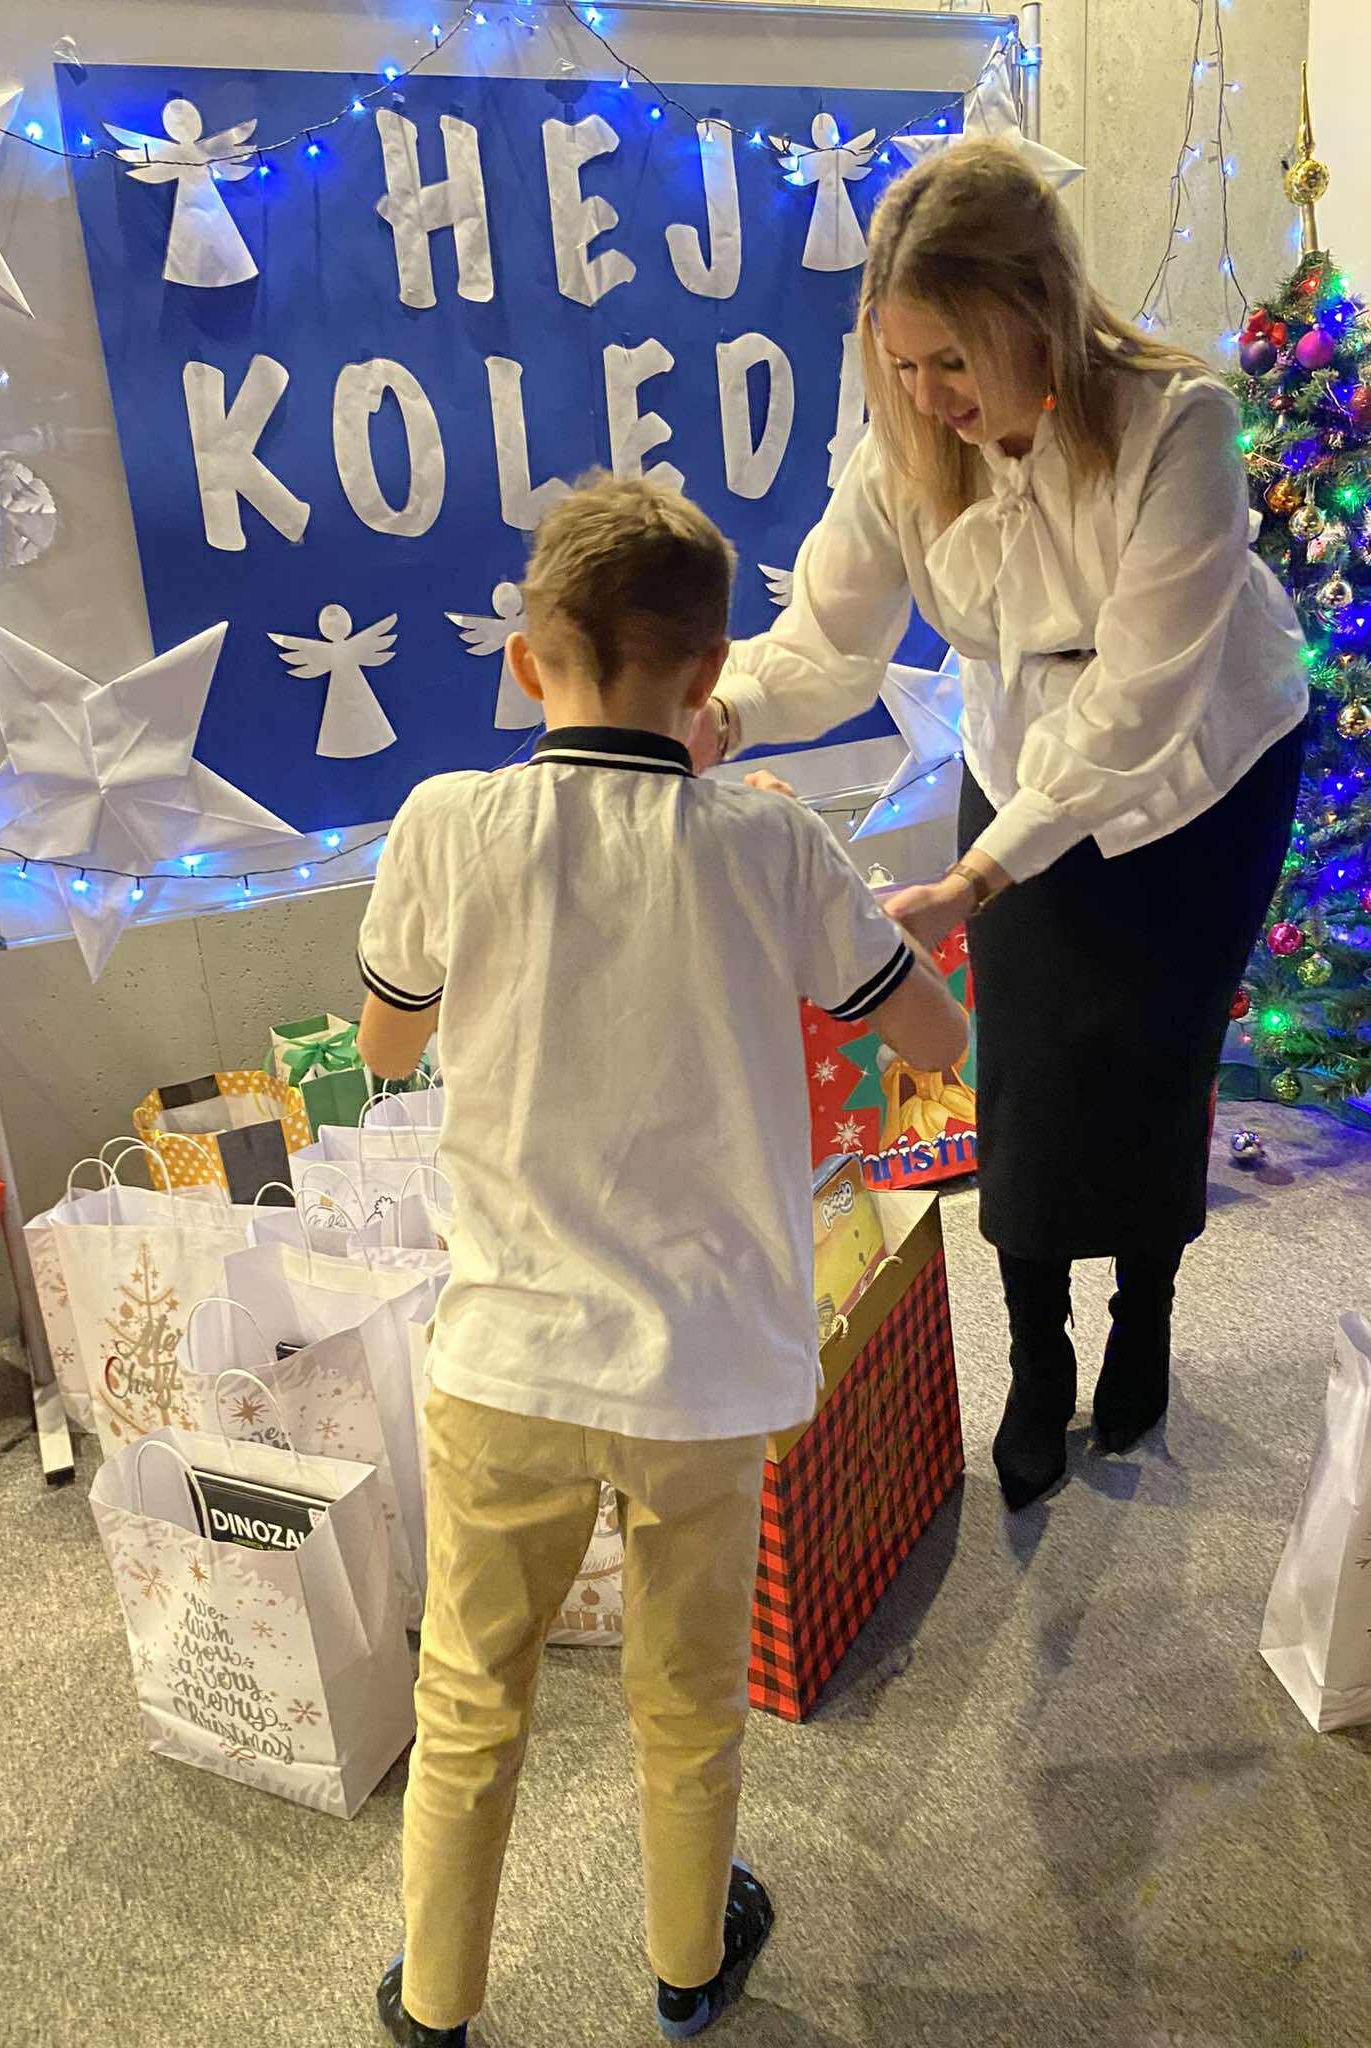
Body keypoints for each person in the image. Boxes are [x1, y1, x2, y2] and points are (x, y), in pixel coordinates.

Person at [356, 474, 968, 2046]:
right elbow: (932, 1034)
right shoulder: (772, 842)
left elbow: (385, 1044)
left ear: (526, 659)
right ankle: (690, 1971)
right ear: (712, 680)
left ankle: (436, 2004)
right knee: (688, 1699)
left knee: (469, 1697)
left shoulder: (446, 823)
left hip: (505, 1362)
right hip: (704, 1370)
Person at [691, 138, 1308, 1513]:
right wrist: (719, 715)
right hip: (1022, 748)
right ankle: (1038, 1356)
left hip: (1204, 766)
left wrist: (974, 876)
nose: (927, 397)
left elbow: (1141, 708)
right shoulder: (907, 446)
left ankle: (1144, 1313)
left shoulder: (1181, 427)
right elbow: (828, 644)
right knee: (1023, 1071)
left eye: (954, 360)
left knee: (1155, 1057)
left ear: (1037, 310)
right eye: (901, 363)